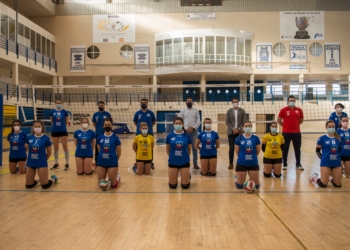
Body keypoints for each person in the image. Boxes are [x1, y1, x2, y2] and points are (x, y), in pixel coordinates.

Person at [25, 120, 58, 189]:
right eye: (35, 126)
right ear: (33, 128)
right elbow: (28, 149)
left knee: (45, 186)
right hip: (31, 163)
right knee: (28, 185)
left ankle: (53, 179)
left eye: (39, 126)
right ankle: (39, 180)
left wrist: (43, 160)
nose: (37, 128)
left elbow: (49, 152)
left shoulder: (46, 138)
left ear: (42, 128)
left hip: (41, 163)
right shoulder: (29, 137)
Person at [310, 121, 342, 188]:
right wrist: (323, 158)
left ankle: (330, 178)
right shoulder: (322, 138)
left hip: (336, 163)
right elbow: (317, 151)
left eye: (333, 127)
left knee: (338, 185)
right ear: (326, 127)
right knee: (323, 185)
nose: (331, 128)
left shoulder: (338, 139)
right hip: (325, 163)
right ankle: (314, 178)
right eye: (329, 127)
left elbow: (339, 150)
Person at [277, 95, 304, 170]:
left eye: (293, 100)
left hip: (297, 133)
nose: (292, 102)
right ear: (288, 101)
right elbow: (278, 120)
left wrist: (296, 125)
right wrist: (285, 126)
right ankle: (284, 164)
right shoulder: (283, 110)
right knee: (285, 149)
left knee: (297, 149)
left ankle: (298, 164)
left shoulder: (299, 110)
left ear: (295, 101)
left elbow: (301, 120)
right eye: (290, 100)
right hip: (286, 133)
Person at [234, 121, 261, 191]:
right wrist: (243, 158)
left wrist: (251, 158)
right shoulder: (238, 138)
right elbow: (237, 152)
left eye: (249, 126)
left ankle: (251, 177)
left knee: (256, 186)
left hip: (253, 163)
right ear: (243, 128)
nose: (247, 127)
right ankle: (235, 178)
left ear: (251, 127)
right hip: (241, 163)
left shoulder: (256, 138)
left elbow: (257, 152)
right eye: (246, 126)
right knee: (240, 186)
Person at [166, 117, 191, 189]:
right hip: (173, 162)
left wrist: (185, 157)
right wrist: (173, 156)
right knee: (172, 186)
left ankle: (187, 175)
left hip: (184, 162)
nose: (178, 125)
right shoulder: (170, 135)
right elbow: (167, 150)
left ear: (183, 124)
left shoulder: (187, 135)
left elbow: (189, 149)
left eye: (180, 123)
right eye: (176, 123)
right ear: (173, 125)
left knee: (185, 186)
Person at [96, 118, 121, 191]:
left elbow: (119, 152)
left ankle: (117, 177)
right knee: (101, 184)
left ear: (111, 125)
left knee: (113, 186)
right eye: (106, 125)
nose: (107, 126)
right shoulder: (100, 137)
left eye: (109, 125)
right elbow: (99, 150)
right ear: (103, 126)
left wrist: (115, 160)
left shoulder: (116, 138)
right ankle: (108, 178)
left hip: (112, 163)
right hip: (101, 162)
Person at [133, 99, 156, 169]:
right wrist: (141, 128)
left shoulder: (151, 113)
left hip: (149, 133)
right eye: (142, 103)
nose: (143, 104)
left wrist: (147, 128)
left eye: (145, 103)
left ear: (147, 104)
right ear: (140, 103)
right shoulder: (137, 113)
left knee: (150, 148)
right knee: (139, 148)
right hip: (139, 133)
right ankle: (138, 162)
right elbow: (135, 122)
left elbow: (154, 122)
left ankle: (150, 162)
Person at [178, 97, 200, 169]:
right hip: (184, 131)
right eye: (188, 100)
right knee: (184, 147)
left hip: (194, 131)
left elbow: (198, 121)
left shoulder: (196, 111)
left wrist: (193, 128)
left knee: (194, 147)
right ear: (185, 102)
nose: (189, 102)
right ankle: (185, 162)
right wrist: (185, 129)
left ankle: (195, 164)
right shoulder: (182, 111)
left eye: (190, 100)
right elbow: (180, 121)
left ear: (192, 102)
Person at [226, 97, 247, 169]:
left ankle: (241, 161)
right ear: (232, 103)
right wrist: (233, 129)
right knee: (231, 148)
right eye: (234, 102)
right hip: (231, 132)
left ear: (238, 102)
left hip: (240, 132)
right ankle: (231, 163)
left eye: (236, 101)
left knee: (241, 147)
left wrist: (238, 129)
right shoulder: (229, 111)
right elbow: (227, 121)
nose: (235, 103)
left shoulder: (242, 111)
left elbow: (244, 121)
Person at [50, 99, 70, 170]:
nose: (58, 104)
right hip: (54, 131)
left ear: (62, 103)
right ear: (55, 103)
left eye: (60, 103)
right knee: (56, 148)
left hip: (63, 131)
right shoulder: (52, 112)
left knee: (65, 147)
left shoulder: (64, 112)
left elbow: (66, 122)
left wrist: (62, 127)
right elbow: (52, 121)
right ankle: (56, 163)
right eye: (57, 103)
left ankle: (67, 163)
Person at [92, 101, 111, 168]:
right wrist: (98, 129)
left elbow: (110, 123)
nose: (101, 106)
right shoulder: (95, 114)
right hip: (97, 134)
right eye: (100, 105)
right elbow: (94, 123)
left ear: (104, 106)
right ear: (98, 106)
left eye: (102, 105)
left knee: (106, 148)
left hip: (106, 135)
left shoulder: (107, 114)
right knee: (97, 150)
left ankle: (107, 161)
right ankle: (97, 163)